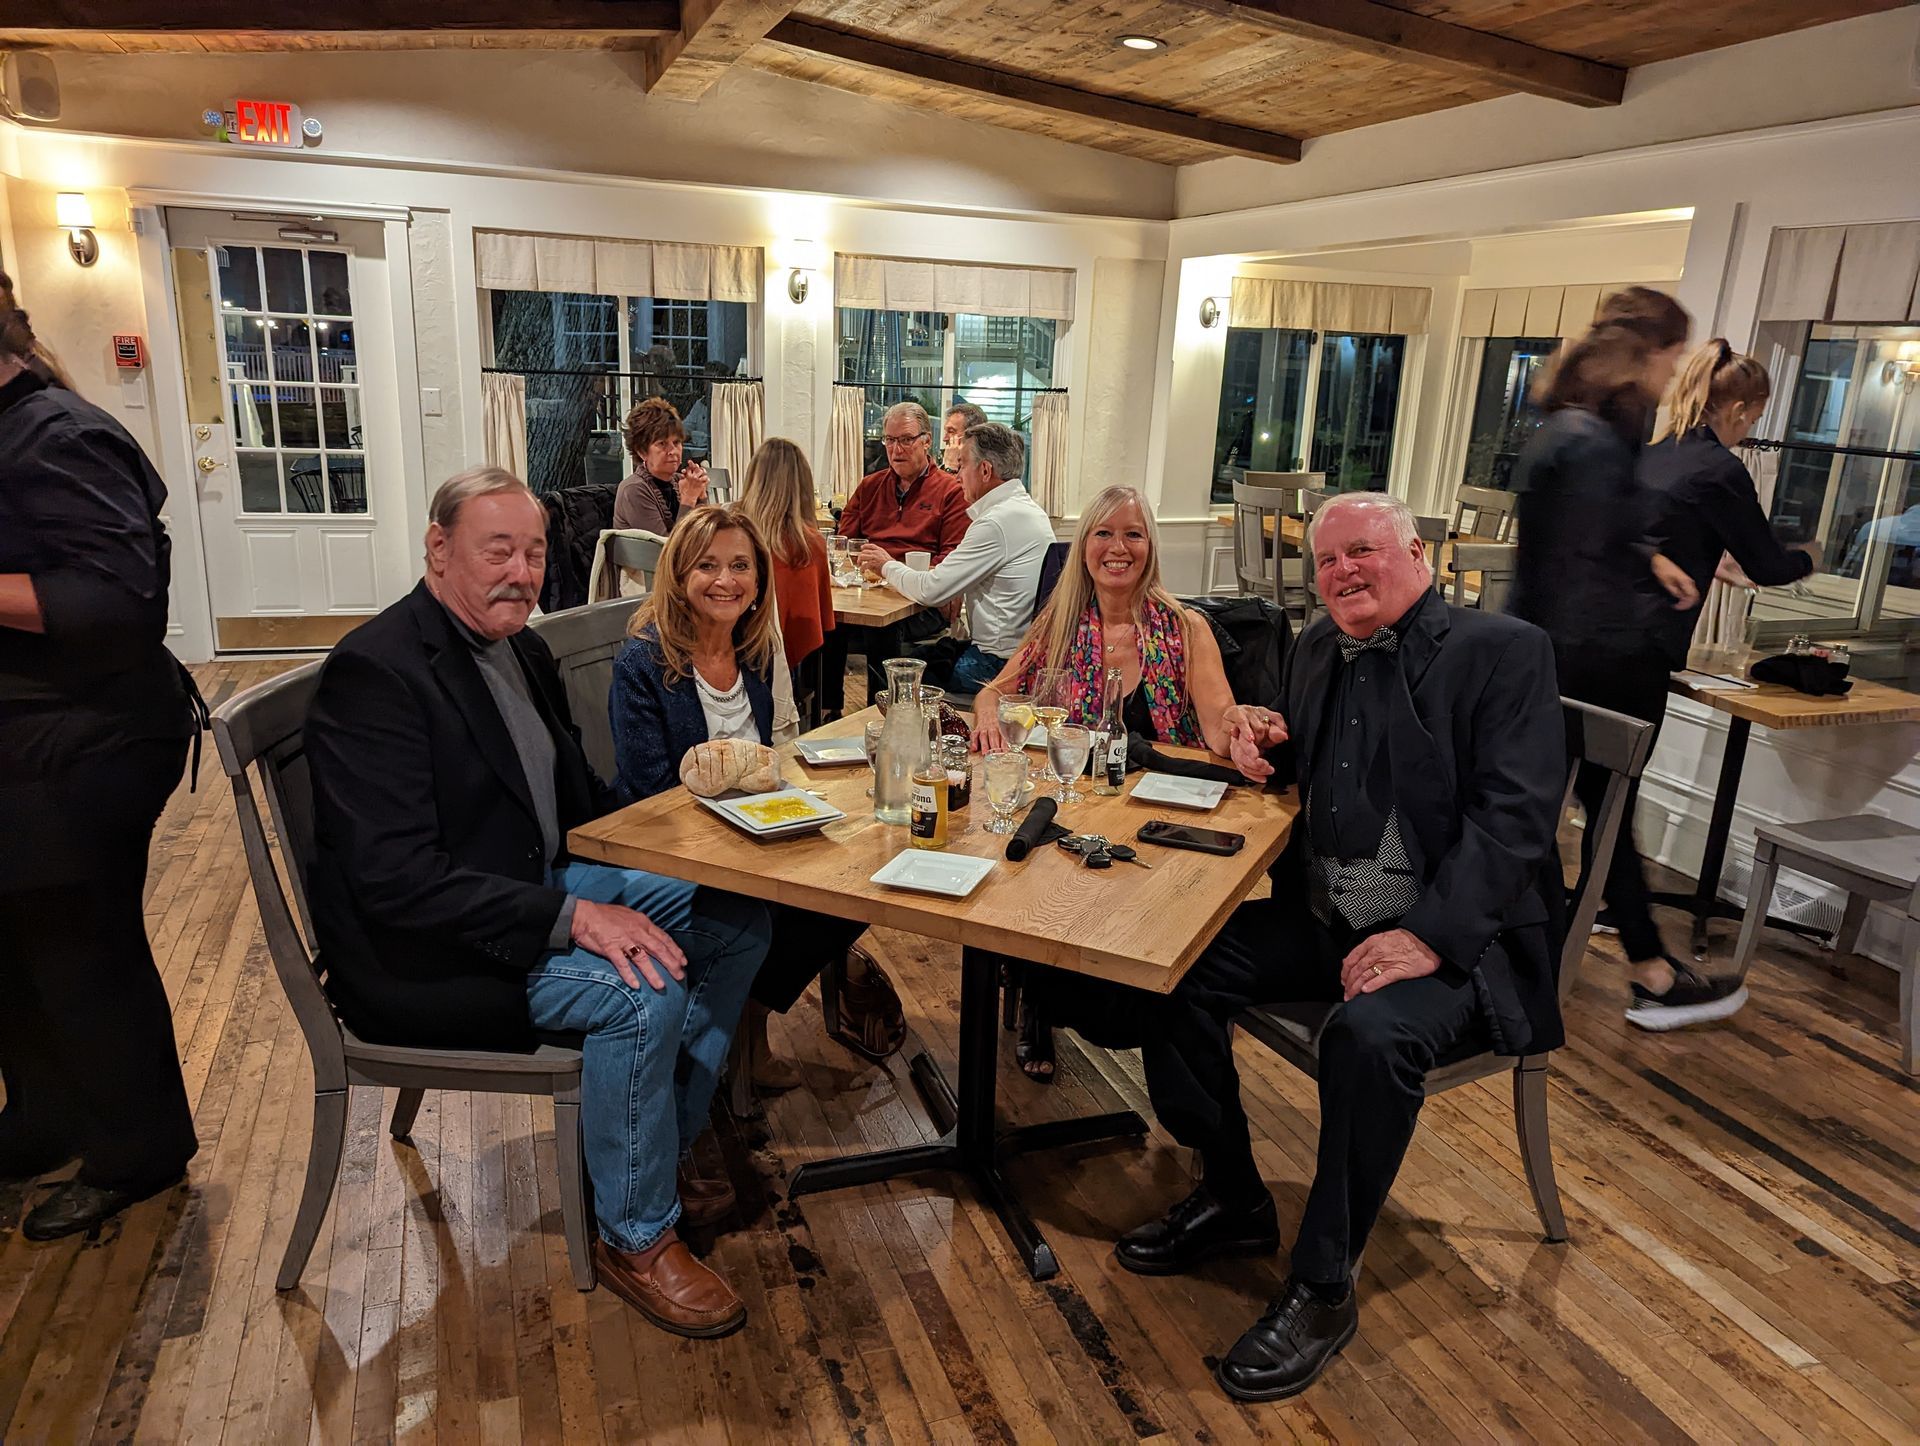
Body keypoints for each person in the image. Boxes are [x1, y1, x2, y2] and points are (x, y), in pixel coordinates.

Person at [1103, 493, 1567, 1402]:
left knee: (1369, 1038)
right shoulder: (1317, 644)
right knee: (1173, 961)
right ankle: (1234, 1193)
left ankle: (1323, 1285)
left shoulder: (1504, 653)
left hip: (1461, 942)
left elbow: (1515, 825)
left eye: (1362, 552)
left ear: (1415, 552)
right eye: (1327, 561)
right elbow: (1310, 766)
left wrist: (1427, 938)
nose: (1342, 573)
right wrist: (1261, 739)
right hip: (1330, 920)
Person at [305, 467, 771, 1339]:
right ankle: (636, 1233)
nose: (522, 572)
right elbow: (397, 883)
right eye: (498, 551)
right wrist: (576, 918)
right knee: (645, 993)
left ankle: (657, 1139)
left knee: (735, 917)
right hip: (430, 954)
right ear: (438, 549)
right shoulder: (378, 672)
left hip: (527, 890)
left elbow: (580, 801)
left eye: (534, 552)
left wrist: (674, 844)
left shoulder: (519, 647)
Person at [0, 270, 203, 1241]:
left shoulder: (58, 432)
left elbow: (120, 601)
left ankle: (140, 1149)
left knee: (82, 950)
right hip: (30, 744)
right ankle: (45, 1120)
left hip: (87, 744)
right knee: (19, 948)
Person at [1507, 289, 1746, 1028]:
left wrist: (1648, 556)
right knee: (1596, 817)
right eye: (1674, 355)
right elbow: (1577, 580)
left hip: (1541, 660)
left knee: (1582, 819)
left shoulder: (1566, 429)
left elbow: (1581, 541)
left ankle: (1635, 965)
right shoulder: (1595, 445)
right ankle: (1645, 973)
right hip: (1578, 669)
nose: (1677, 372)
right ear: (1646, 354)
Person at [608, 505, 908, 1077]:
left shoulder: (756, 653)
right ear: (678, 575)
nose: (726, 580)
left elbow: (772, 755)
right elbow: (649, 792)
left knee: (866, 876)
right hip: (673, 850)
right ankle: (737, 1038)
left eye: (740, 565)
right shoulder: (644, 663)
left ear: (758, 580)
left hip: (755, 835)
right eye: (708, 566)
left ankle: (749, 1017)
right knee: (780, 906)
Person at [970, 484, 1245, 1079]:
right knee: (1032, 874)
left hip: (1160, 807)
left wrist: (1244, 728)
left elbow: (1219, 725)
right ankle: (1041, 1001)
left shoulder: (1184, 628)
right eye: (1104, 533)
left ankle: (1142, 1020)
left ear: (1150, 546)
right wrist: (989, 710)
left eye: (1133, 534)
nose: (1118, 548)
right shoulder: (1061, 623)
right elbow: (997, 688)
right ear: (1084, 545)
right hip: (1081, 800)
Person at [856, 422, 1053, 696]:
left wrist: (885, 565)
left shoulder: (996, 523)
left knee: (891, 670)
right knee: (911, 656)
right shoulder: (1027, 511)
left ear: (985, 471)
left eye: (962, 465)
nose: (957, 475)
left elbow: (932, 590)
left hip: (996, 665)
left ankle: (894, 731)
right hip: (1025, 656)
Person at [823, 401, 971, 712]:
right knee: (826, 621)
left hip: (920, 601)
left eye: (905, 439)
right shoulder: (870, 486)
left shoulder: (950, 491)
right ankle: (829, 713)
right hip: (869, 592)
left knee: (885, 629)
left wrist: (897, 570)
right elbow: (844, 544)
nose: (896, 449)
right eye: (889, 440)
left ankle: (882, 715)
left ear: (926, 441)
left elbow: (950, 560)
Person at [738, 437, 835, 679]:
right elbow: (818, 623)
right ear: (802, 487)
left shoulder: (732, 532)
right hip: (777, 665)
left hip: (730, 651)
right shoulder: (808, 544)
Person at [612, 396, 711, 535]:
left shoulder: (679, 480)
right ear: (642, 451)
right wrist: (688, 499)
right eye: (662, 444)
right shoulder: (634, 490)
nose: (673, 451)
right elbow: (667, 550)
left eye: (676, 442)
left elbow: (704, 535)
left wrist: (700, 495)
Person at [941, 400, 990, 471]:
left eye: (951, 431)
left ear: (972, 435)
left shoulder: (983, 470)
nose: (944, 439)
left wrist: (951, 467)